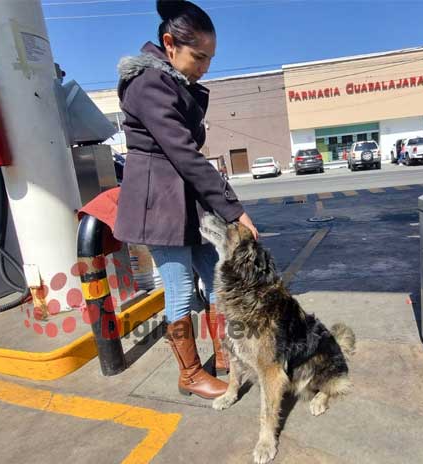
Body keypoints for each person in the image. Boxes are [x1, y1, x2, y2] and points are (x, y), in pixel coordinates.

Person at [113, 0, 258, 399]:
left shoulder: (175, 83)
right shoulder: (148, 84)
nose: (205, 67)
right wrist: (234, 209)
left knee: (215, 279)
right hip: (159, 200)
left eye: (210, 58)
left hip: (187, 201)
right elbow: (183, 153)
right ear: (169, 44)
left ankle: (228, 354)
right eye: (199, 57)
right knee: (178, 286)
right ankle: (190, 374)